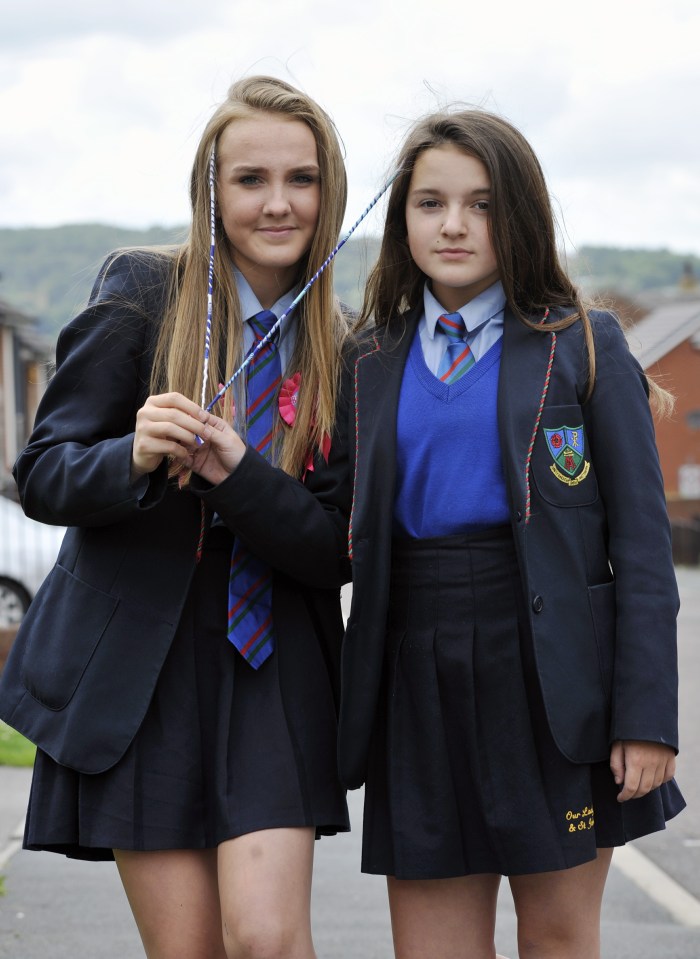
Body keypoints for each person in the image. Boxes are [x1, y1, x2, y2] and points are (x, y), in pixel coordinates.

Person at [0, 76, 353, 959]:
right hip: (143, 668)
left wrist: (238, 476)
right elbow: (44, 475)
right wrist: (131, 454)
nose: (278, 203)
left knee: (268, 940)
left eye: (302, 179)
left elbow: (332, 548)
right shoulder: (143, 292)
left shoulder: (348, 346)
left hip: (274, 662)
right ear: (210, 189)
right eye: (249, 179)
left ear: (331, 189)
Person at [334, 109, 685, 959]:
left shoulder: (584, 346)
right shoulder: (367, 358)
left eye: (482, 204)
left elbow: (643, 549)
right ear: (402, 219)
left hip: (554, 677)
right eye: (430, 202)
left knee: (559, 940)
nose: (454, 224)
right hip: (413, 670)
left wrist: (647, 715)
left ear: (520, 217)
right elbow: (328, 519)